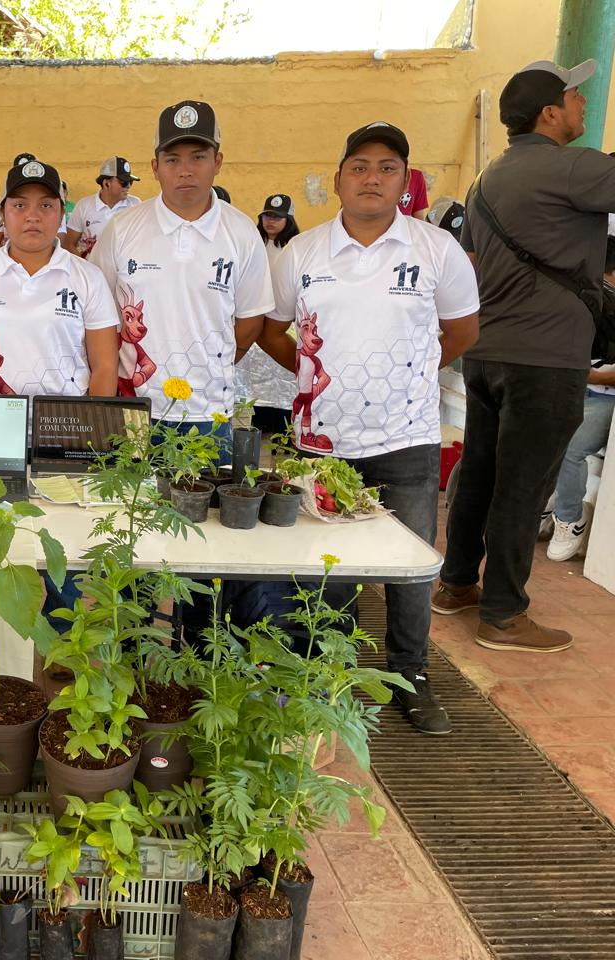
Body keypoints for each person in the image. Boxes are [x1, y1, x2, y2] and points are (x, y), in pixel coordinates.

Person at [256, 121, 480, 734]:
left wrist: (409, 373)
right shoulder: (302, 254)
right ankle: (321, 674)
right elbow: (276, 331)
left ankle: (412, 676)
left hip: (405, 439)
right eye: (359, 167)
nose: (372, 178)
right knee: (324, 565)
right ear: (338, 181)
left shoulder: (437, 250)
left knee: (409, 567)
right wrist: (312, 371)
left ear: (404, 181)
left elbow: (461, 331)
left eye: (386, 167)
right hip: (320, 441)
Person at [434, 59, 615, 653]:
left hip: (488, 351)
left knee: (481, 473)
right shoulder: (571, 169)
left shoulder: (486, 179)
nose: (585, 106)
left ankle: (456, 584)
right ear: (549, 112)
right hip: (546, 356)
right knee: (524, 484)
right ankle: (504, 614)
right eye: (575, 96)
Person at [88, 101, 273, 453]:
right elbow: (98, 314)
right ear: (156, 168)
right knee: (130, 505)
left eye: (198, 157)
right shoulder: (123, 228)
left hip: (208, 414)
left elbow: (250, 322)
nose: (185, 170)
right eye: (172, 160)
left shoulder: (241, 231)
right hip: (133, 408)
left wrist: (209, 363)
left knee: (202, 507)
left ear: (218, 161)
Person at [0, 159, 119, 396]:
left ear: (61, 213)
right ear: (2, 213)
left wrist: (92, 428)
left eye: (46, 205)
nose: (32, 216)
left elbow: (104, 366)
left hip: (65, 424)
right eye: (20, 205)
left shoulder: (88, 277)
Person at [543, 236, 615, 561]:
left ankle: (569, 520)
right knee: (539, 435)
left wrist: (591, 375)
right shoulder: (585, 297)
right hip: (577, 388)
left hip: (605, 398)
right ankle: (543, 510)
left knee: (571, 449)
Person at [234, 192, 302, 433]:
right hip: (253, 317)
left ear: (289, 220)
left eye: (277, 217)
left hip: (282, 319)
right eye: (267, 216)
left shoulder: (296, 248)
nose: (271, 221)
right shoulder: (252, 243)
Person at [64, 156, 141, 259]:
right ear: (106, 183)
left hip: (124, 272)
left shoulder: (135, 204)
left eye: (130, 182)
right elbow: (69, 244)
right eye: (124, 182)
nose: (128, 186)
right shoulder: (84, 206)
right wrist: (86, 268)